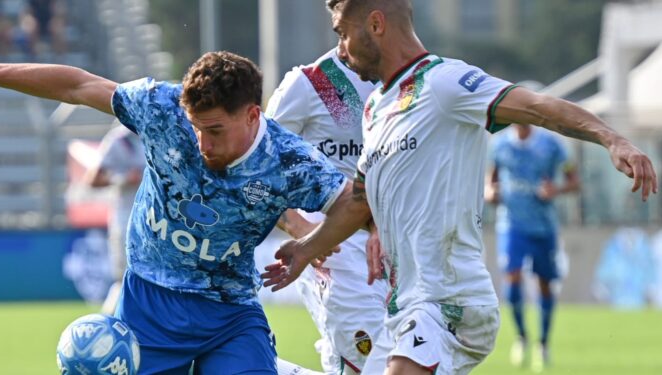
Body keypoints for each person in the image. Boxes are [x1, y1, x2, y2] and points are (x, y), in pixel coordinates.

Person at [261, 1, 657, 374]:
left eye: (343, 34)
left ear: (377, 24)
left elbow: (536, 107)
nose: (342, 51)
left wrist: (611, 138)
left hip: (449, 301)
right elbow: (360, 201)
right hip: (407, 307)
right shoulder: (376, 108)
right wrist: (306, 246)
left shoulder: (445, 82)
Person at [0, 45, 357, 375]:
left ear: (251, 115)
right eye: (195, 128)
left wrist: (308, 247)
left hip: (229, 312)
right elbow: (77, 85)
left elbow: (353, 202)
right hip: (149, 302)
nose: (202, 144)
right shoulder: (161, 108)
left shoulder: (289, 159)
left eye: (215, 131)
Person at [265, 48, 389, 374]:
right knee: (373, 365)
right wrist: (298, 227)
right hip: (335, 247)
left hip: (400, 245)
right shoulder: (313, 83)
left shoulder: (410, 80)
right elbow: (256, 166)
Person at [485, 123, 580, 372]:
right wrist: (490, 192)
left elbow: (574, 181)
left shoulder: (551, 144)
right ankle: (521, 336)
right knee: (512, 278)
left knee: (544, 284)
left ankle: (543, 343)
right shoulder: (500, 144)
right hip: (511, 224)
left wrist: (556, 189)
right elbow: (492, 178)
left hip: (543, 227)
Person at [83, 125, 146, 315]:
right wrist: (124, 179)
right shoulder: (120, 140)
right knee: (125, 278)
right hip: (126, 216)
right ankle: (107, 329)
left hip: (158, 217)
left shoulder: (161, 130)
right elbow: (93, 179)